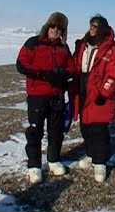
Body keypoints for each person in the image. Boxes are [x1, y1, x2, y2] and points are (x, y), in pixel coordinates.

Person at [16, 12, 77, 184]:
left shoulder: (63, 47)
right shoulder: (33, 43)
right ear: (47, 26)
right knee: (35, 131)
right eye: (53, 26)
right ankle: (34, 165)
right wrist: (42, 74)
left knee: (56, 131)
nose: (55, 30)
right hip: (37, 96)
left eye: (60, 28)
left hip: (56, 95)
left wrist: (62, 74)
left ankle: (53, 160)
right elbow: (21, 64)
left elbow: (72, 68)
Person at [72, 14, 115, 182]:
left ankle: (100, 163)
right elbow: (75, 65)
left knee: (98, 128)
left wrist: (104, 93)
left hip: (99, 92)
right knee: (85, 126)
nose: (92, 28)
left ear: (102, 28)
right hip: (84, 89)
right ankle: (91, 154)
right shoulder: (84, 46)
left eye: (95, 25)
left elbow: (114, 74)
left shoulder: (110, 49)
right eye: (90, 25)